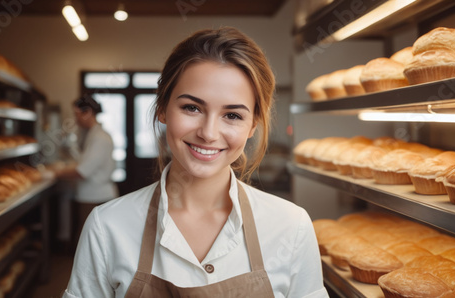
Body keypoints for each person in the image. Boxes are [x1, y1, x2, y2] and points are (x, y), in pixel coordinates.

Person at [63, 27, 328, 298]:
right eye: (192, 108)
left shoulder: (291, 227)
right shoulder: (108, 227)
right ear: (163, 109)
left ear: (253, 126)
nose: (209, 133)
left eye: (233, 115)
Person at [57, 95, 119, 246]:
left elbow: (82, 171)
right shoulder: (91, 134)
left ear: (88, 112)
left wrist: (54, 173)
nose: (76, 119)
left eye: (77, 115)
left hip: (96, 197)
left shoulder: (100, 138)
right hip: (90, 195)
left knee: (90, 244)